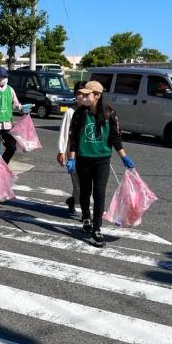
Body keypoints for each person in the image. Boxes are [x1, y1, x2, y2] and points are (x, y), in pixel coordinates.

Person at [66, 81, 135, 247]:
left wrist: (124, 158)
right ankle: (86, 217)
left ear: (97, 95)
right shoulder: (79, 113)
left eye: (86, 94)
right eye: (82, 94)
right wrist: (72, 158)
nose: (82, 97)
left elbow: (115, 138)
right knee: (85, 191)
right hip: (83, 159)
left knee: (99, 193)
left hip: (102, 160)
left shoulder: (109, 113)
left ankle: (97, 228)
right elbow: (73, 138)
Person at [57, 81, 87, 215]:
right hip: (73, 153)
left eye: (85, 93)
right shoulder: (70, 112)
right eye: (79, 93)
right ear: (75, 95)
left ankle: (73, 201)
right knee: (78, 184)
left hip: (89, 153)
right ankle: (83, 211)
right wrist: (61, 151)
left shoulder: (91, 111)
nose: (82, 96)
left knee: (87, 184)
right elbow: (64, 133)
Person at [0, 66, 28, 164]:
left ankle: (3, 166)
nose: (4, 79)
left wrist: (23, 108)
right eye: (2, 77)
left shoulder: (10, 89)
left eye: (5, 77)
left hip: (7, 125)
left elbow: (16, 105)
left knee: (12, 148)